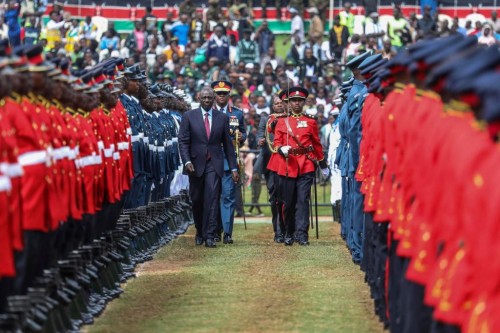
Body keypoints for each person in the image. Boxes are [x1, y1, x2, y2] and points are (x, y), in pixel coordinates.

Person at [178, 87, 239, 248]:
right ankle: (200, 231)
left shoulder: (222, 118)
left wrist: (233, 168)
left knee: (212, 199)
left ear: (213, 99)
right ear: (199, 98)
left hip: (214, 163)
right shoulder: (189, 117)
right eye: (204, 97)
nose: (206, 100)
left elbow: (228, 145)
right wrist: (186, 161)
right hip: (195, 165)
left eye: (209, 98)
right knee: (197, 200)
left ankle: (210, 235)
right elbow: (183, 142)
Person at [273, 87, 329, 246]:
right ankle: (289, 233)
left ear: (304, 102)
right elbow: (276, 141)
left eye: (299, 101)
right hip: (287, 164)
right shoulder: (282, 121)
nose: (296, 103)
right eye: (293, 100)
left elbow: (317, 144)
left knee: (303, 201)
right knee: (288, 202)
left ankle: (302, 234)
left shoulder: (311, 121)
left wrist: (323, 165)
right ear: (288, 103)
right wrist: (280, 148)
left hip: (305, 164)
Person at [211, 80, 246, 244]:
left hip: (229, 160)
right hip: (211, 159)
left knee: (228, 196)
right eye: (219, 93)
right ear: (214, 95)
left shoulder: (237, 113)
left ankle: (227, 232)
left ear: (229, 95)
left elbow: (244, 133)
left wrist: (242, 137)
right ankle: (214, 230)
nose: (221, 96)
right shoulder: (208, 112)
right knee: (212, 196)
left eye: (224, 93)